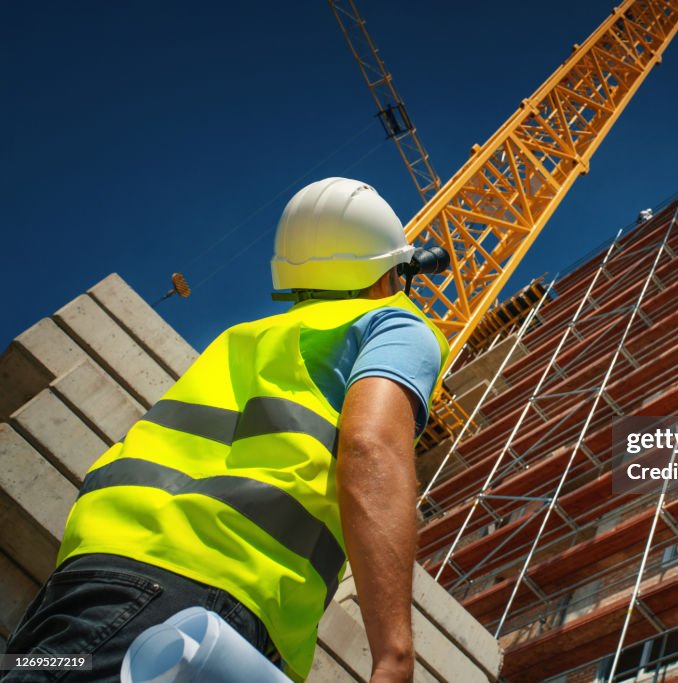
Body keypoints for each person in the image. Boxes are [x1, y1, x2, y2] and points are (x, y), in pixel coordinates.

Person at [3, 178, 449, 683]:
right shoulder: (393, 323)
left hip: (81, 588)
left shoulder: (244, 338)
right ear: (387, 273)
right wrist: (394, 657)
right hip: (195, 607)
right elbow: (373, 447)